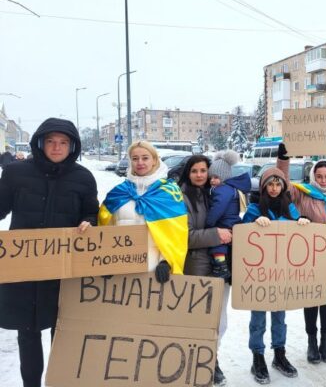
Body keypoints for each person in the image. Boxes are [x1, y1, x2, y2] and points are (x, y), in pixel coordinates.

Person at [0, 118, 99, 387]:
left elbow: (91, 212)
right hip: (24, 270)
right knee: (27, 333)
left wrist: (89, 222)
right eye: (51, 141)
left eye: (63, 142)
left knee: (63, 332)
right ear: (41, 143)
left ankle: (59, 382)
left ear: (72, 146)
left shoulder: (83, 178)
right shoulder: (15, 173)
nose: (57, 147)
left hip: (64, 271)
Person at [276, 143, 326, 364]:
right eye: (319, 176)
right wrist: (284, 160)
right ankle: (311, 342)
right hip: (309, 259)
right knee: (310, 300)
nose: (323, 180)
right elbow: (281, 183)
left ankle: (325, 342)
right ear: (313, 177)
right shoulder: (303, 194)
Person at [242, 166, 311, 385]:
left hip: (281, 274)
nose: (273, 188)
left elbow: (298, 235)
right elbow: (243, 236)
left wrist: (302, 222)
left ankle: (279, 354)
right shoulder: (254, 208)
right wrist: (253, 223)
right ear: (264, 187)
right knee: (258, 319)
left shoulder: (289, 207)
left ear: (283, 187)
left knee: (280, 318)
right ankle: (258, 356)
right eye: (270, 184)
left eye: (277, 184)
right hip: (259, 275)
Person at [178, 154, 233, 386]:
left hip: (222, 266)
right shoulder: (181, 197)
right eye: (195, 171)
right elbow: (185, 237)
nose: (200, 175)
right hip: (197, 267)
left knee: (220, 321)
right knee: (199, 320)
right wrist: (216, 235)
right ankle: (196, 362)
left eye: (203, 171)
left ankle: (212, 358)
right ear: (188, 173)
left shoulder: (217, 192)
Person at [99, 140, 188, 283]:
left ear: (154, 160)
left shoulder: (169, 193)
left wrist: (165, 262)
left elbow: (176, 234)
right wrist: (106, 260)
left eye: (145, 158)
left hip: (153, 273)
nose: (140, 162)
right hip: (120, 271)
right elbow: (105, 230)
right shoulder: (118, 193)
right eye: (135, 158)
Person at [205, 149, 251, 280]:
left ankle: (221, 266)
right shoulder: (227, 188)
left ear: (224, 177)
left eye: (216, 177)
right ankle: (223, 266)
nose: (212, 180)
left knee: (218, 242)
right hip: (230, 221)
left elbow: (218, 207)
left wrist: (209, 222)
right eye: (211, 177)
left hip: (225, 222)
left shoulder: (223, 190)